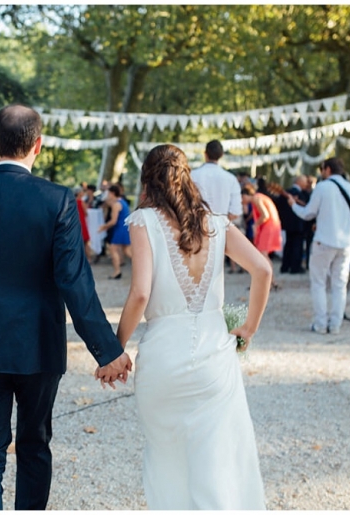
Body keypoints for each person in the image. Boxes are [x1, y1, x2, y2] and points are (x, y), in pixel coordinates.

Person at [0, 104, 132, 510]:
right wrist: (108, 350)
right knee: (35, 445)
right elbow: (74, 280)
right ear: (37, 145)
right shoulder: (57, 199)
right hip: (37, 343)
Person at [112, 144, 270, 509]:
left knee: (166, 459)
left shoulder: (142, 221)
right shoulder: (216, 224)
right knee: (217, 461)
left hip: (163, 357)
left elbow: (140, 294)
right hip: (215, 358)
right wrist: (248, 328)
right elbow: (263, 270)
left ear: (148, 179)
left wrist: (114, 348)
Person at [287, 157, 350, 335]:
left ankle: (320, 324)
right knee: (340, 284)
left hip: (324, 240)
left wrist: (293, 205)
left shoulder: (323, 187)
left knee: (318, 282)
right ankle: (335, 325)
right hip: (346, 243)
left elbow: (308, 213)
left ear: (326, 169)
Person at [241, 184, 283, 290]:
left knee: (263, 254)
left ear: (245, 195)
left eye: (242, 197)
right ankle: (271, 281)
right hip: (271, 225)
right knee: (263, 254)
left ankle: (269, 281)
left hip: (268, 227)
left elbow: (265, 215)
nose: (242, 201)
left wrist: (255, 225)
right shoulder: (260, 197)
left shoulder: (256, 198)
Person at [190, 139, 243, 222]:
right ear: (222, 155)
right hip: (222, 229)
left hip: (196, 226)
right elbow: (235, 212)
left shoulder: (192, 175)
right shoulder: (231, 179)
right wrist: (219, 222)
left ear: (205, 154)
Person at [98, 183, 131, 279]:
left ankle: (117, 271)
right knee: (127, 251)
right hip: (124, 228)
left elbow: (113, 221)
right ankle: (145, 266)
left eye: (108, 193)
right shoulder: (122, 202)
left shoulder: (116, 204)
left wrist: (103, 227)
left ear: (112, 193)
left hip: (120, 229)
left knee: (113, 249)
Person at [279, 175, 310, 274]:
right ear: (299, 182)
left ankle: (285, 265)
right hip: (298, 224)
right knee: (297, 246)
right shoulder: (302, 194)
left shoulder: (286, 192)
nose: (306, 184)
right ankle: (295, 267)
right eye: (305, 181)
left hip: (288, 224)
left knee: (288, 245)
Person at [73, 185, 94, 259]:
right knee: (86, 241)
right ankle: (88, 258)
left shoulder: (73, 201)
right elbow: (86, 212)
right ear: (79, 193)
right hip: (82, 222)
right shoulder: (81, 202)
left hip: (76, 221)